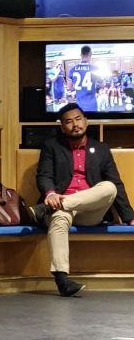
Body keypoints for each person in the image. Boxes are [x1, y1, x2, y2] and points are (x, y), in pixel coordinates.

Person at [29, 102, 134, 296]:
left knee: (108, 187)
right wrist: (50, 193)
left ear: (86, 121)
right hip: (62, 208)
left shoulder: (101, 149)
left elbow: (116, 185)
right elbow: (44, 175)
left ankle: (45, 209)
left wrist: (130, 217)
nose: (74, 124)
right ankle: (62, 280)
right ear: (62, 127)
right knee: (59, 218)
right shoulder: (51, 147)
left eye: (78, 119)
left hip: (89, 211)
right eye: (68, 122)